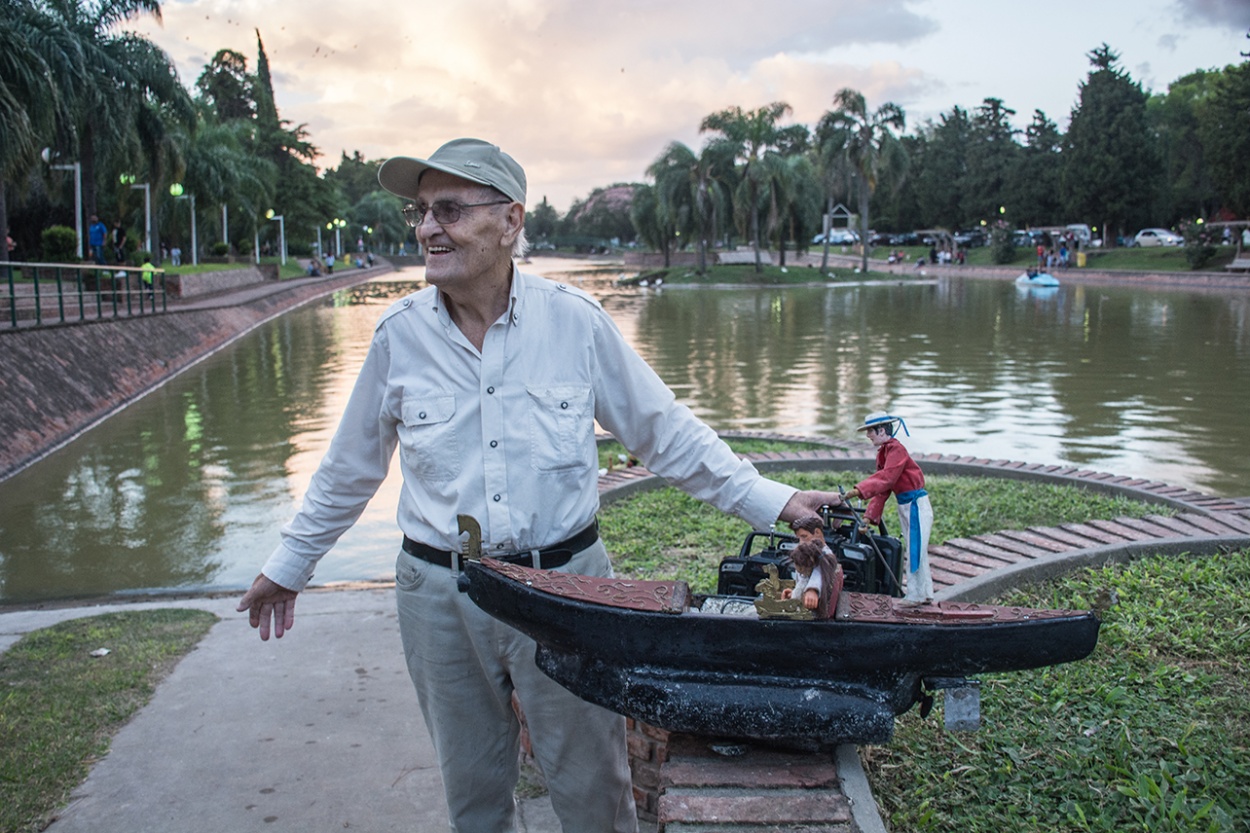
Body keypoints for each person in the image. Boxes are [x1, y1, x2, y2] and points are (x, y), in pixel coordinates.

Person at [236, 137, 845, 833]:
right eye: (422, 212)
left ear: (510, 221)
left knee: (595, 794)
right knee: (474, 798)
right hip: (440, 597)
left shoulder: (574, 323)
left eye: (450, 210)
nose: (429, 228)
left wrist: (777, 501)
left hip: (568, 591)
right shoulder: (397, 337)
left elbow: (665, 434)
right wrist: (289, 566)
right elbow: (349, 471)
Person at [845, 412, 934, 602]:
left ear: (882, 430)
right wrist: (869, 518)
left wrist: (859, 490)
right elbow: (882, 491)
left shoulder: (896, 450)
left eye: (870, 431)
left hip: (916, 505)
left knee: (915, 550)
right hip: (906, 505)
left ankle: (916, 594)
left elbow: (887, 478)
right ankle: (924, 593)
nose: (868, 435)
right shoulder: (885, 453)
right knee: (915, 549)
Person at [786, 516, 843, 618]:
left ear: (817, 532)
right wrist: (795, 593)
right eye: (799, 538)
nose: (801, 542)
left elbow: (819, 572)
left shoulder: (824, 555)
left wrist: (813, 590)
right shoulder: (811, 552)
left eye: (804, 537)